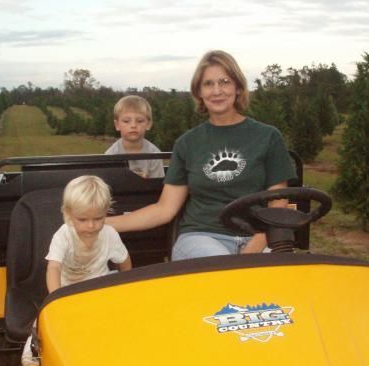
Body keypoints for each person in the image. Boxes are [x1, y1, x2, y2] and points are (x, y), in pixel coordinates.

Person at [107, 50, 297, 260]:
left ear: (238, 87)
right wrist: (104, 224)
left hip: (259, 237)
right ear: (199, 92)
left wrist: (257, 244)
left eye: (224, 81)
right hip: (202, 237)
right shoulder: (187, 144)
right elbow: (164, 209)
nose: (217, 91)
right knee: (220, 273)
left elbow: (278, 202)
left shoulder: (268, 137)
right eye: (208, 84)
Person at [22, 175, 132, 366]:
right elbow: (54, 267)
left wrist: (125, 287)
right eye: (82, 219)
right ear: (68, 214)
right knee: (42, 326)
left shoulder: (110, 235)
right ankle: (34, 355)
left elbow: (125, 262)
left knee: (113, 327)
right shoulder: (64, 235)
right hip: (67, 289)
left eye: (98, 218)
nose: (91, 226)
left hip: (98, 287)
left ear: (107, 212)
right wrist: (57, 299)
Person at [105, 95, 165, 178]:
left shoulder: (154, 154)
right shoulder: (111, 155)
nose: (133, 125)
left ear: (148, 124)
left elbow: (156, 186)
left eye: (140, 121)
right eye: (126, 121)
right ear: (117, 125)